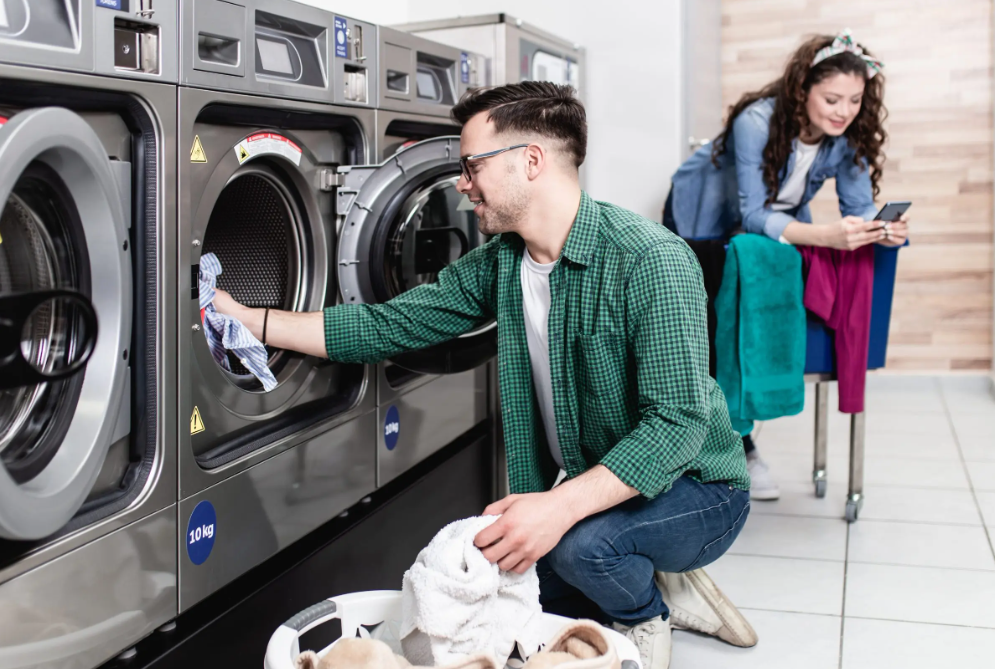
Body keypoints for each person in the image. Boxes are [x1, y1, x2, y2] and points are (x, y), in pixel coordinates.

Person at [213, 81, 756, 669]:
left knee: (578, 548)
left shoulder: (651, 261)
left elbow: (675, 427)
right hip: (610, 481)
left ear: (530, 161)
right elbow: (387, 324)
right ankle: (641, 565)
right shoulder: (503, 263)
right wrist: (249, 320)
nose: (461, 182)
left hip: (703, 487)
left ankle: (648, 612)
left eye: (472, 165)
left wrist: (558, 507)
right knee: (512, 572)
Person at [664, 29, 910, 501]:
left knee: (750, 307)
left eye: (855, 100)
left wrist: (883, 230)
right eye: (832, 98)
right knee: (710, 324)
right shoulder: (757, 120)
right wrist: (825, 235)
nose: (844, 111)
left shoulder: (847, 137)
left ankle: (734, 442)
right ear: (803, 91)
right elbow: (754, 213)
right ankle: (734, 445)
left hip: (763, 223)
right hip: (703, 215)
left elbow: (857, 207)